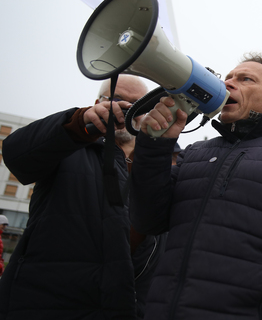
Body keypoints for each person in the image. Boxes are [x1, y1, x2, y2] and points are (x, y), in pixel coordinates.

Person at [129, 53, 262, 319]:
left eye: (246, 79)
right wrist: (154, 146)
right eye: (228, 78)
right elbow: (148, 221)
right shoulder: (194, 152)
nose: (229, 84)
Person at [0, 75, 158, 319]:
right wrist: (78, 122)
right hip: (49, 304)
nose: (126, 110)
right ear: (98, 102)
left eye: (139, 104)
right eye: (117, 100)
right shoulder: (67, 145)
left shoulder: (156, 165)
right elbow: (16, 153)